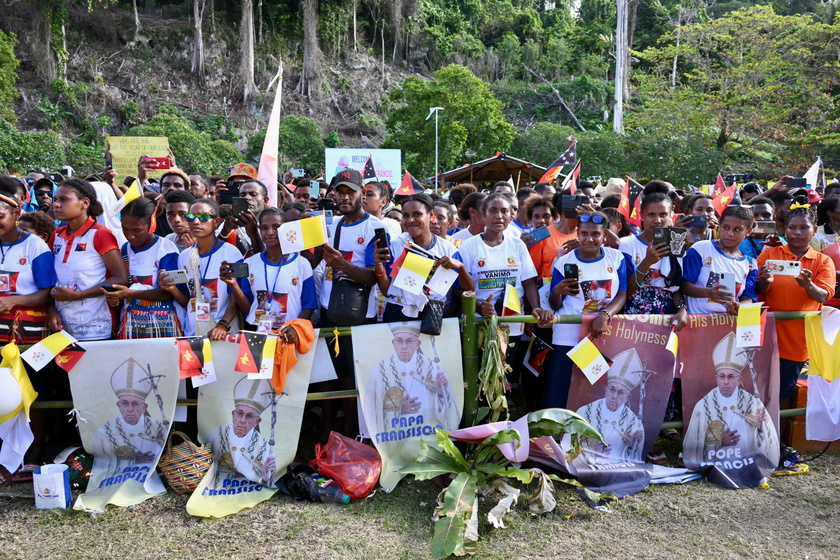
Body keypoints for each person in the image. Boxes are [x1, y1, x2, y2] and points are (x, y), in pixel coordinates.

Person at [539, 211, 630, 409]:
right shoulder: (564, 261)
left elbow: (622, 293)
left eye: (596, 234)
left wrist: (605, 315)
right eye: (584, 234)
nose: (589, 239)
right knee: (560, 388)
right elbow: (555, 305)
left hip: (601, 332)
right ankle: (553, 433)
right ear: (577, 234)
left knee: (594, 386)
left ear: (605, 235)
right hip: (568, 335)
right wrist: (557, 291)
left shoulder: (616, 258)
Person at [756, 203, 835, 425]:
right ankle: (759, 437)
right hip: (765, 336)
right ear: (785, 229)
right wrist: (765, 280)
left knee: (785, 391)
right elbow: (757, 289)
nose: (797, 232)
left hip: (796, 340)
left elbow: (822, 296)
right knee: (760, 387)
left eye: (803, 227)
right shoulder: (769, 253)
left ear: (814, 230)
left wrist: (808, 285)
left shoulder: (822, 261)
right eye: (792, 227)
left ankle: (780, 442)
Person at [454, 193, 546, 338]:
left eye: (504, 211)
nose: (499, 216)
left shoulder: (518, 245)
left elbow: (528, 283)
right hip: (480, 324)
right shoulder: (468, 247)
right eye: (492, 211)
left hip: (513, 323)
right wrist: (478, 307)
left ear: (511, 216)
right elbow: (458, 289)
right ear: (483, 215)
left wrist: (536, 308)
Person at [683, 332, 779, 470]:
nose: (726, 382)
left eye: (731, 377)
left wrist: (760, 426)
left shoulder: (752, 402)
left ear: (739, 380)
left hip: (745, 460)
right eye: (722, 377)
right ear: (716, 379)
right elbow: (693, 441)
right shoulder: (703, 406)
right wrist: (718, 443)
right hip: (716, 462)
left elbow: (766, 440)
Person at [48, 178, 128, 341]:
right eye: (55, 199)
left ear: (84, 203)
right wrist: (51, 311)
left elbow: (120, 278)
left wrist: (79, 295)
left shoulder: (100, 234)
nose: (56, 204)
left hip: (95, 325)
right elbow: (48, 280)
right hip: (61, 324)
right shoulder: (56, 235)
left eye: (63, 200)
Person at [373, 194, 473, 321]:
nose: (410, 220)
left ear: (431, 215)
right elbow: (387, 291)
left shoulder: (448, 249)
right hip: (398, 314)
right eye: (406, 215)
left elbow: (468, 289)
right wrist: (379, 266)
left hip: (434, 315)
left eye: (416, 214)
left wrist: (461, 267)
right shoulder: (395, 246)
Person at [161, 198, 245, 338]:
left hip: (222, 333)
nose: (196, 222)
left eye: (204, 217)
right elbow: (188, 299)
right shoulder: (184, 256)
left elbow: (236, 298)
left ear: (216, 222)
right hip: (192, 331)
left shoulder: (231, 253)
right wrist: (172, 289)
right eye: (191, 217)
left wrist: (223, 325)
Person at [364, 322, 459, 445]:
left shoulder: (432, 367)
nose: (404, 346)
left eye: (409, 341)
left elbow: (450, 408)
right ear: (393, 343)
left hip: (427, 434)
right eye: (399, 341)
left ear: (417, 344)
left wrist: (441, 394)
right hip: (395, 441)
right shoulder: (379, 372)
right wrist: (397, 410)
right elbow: (370, 408)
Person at [105, 198, 182, 339]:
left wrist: (129, 293)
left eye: (137, 230)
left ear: (151, 225)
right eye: (125, 229)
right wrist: (117, 297)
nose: (130, 236)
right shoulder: (125, 249)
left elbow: (169, 293)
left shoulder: (166, 249)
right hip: (131, 322)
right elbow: (125, 284)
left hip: (162, 324)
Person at [233, 208, 317, 332]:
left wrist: (295, 329)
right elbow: (248, 307)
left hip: (289, 333)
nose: (270, 232)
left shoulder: (301, 264)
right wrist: (233, 284)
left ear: (285, 228)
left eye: (276, 227)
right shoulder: (250, 263)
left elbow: (309, 305)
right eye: (264, 228)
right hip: (258, 332)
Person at [91, 358, 167, 484]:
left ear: (144, 407)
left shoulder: (158, 427)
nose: (130, 409)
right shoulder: (104, 432)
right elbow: (100, 461)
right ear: (118, 405)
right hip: (116, 479)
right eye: (125, 404)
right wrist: (132, 459)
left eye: (135, 404)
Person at [620, 192, 689, 325]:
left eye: (663, 214)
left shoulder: (678, 245)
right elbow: (625, 290)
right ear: (642, 215)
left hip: (667, 317)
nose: (657, 220)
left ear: (671, 215)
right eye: (651, 215)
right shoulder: (627, 245)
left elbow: (675, 287)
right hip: (633, 317)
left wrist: (681, 309)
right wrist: (647, 262)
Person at [682, 205, 758, 316]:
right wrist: (709, 292)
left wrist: (739, 307)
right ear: (719, 226)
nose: (730, 234)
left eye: (737, 230)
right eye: (726, 227)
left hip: (729, 326)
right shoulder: (701, 248)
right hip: (697, 323)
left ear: (748, 231)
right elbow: (684, 285)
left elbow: (748, 297)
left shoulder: (750, 263)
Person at [575, 349, 645, 463]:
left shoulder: (634, 423)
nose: (614, 396)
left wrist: (632, 445)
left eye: (621, 392)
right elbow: (570, 445)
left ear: (628, 398)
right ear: (606, 390)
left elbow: (633, 459)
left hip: (616, 467)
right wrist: (591, 450)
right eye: (612, 389)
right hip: (587, 464)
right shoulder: (584, 412)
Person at [206, 377, 277, 487]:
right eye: (240, 413)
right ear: (233, 414)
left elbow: (267, 478)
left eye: (249, 416)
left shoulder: (263, 446)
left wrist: (265, 476)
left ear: (257, 421)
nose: (242, 420)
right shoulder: (216, 434)